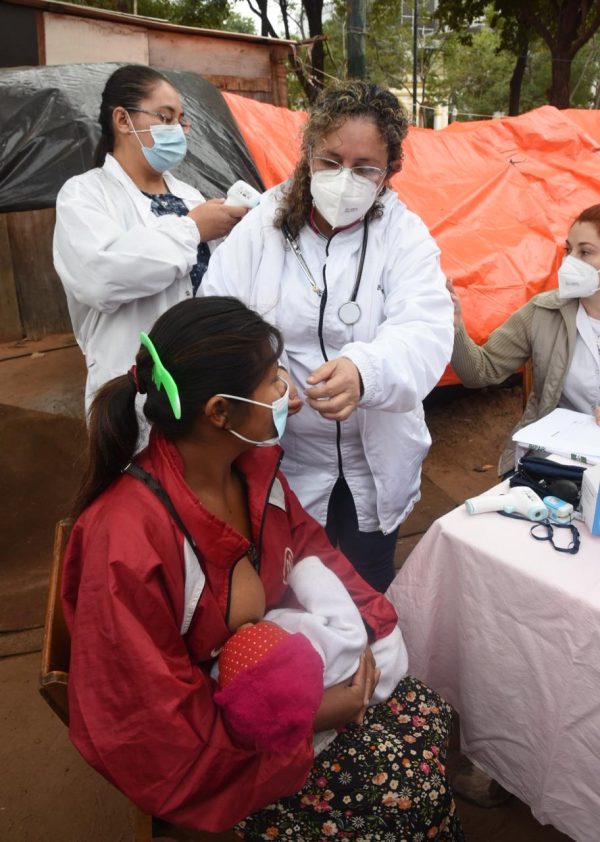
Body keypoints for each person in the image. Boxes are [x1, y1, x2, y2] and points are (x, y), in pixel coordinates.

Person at [62, 296, 464, 840]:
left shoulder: (252, 472)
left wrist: (365, 631)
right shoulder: (127, 545)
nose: (287, 391)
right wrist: (312, 714)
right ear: (219, 412)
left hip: (290, 686)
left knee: (430, 711)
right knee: (413, 799)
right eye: (274, 379)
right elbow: (156, 728)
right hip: (228, 754)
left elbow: (315, 552)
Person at [201, 80, 454, 593]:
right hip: (286, 456)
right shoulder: (263, 227)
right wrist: (263, 375)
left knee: (367, 590)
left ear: (390, 172)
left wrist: (365, 372)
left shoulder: (403, 235)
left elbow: (425, 327)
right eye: (332, 161)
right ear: (308, 154)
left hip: (373, 460)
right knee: (289, 589)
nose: (345, 180)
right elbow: (217, 315)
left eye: (364, 169)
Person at [53, 64, 247, 412]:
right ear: (123, 120)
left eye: (180, 121)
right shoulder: (83, 195)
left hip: (199, 382)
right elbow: (101, 278)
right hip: (128, 386)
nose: (178, 130)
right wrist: (192, 230)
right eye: (165, 117)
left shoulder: (191, 197)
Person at [449, 203, 600, 476]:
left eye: (585, 252)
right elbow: (480, 371)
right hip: (554, 464)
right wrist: (454, 325)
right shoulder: (544, 311)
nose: (569, 262)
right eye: (568, 250)